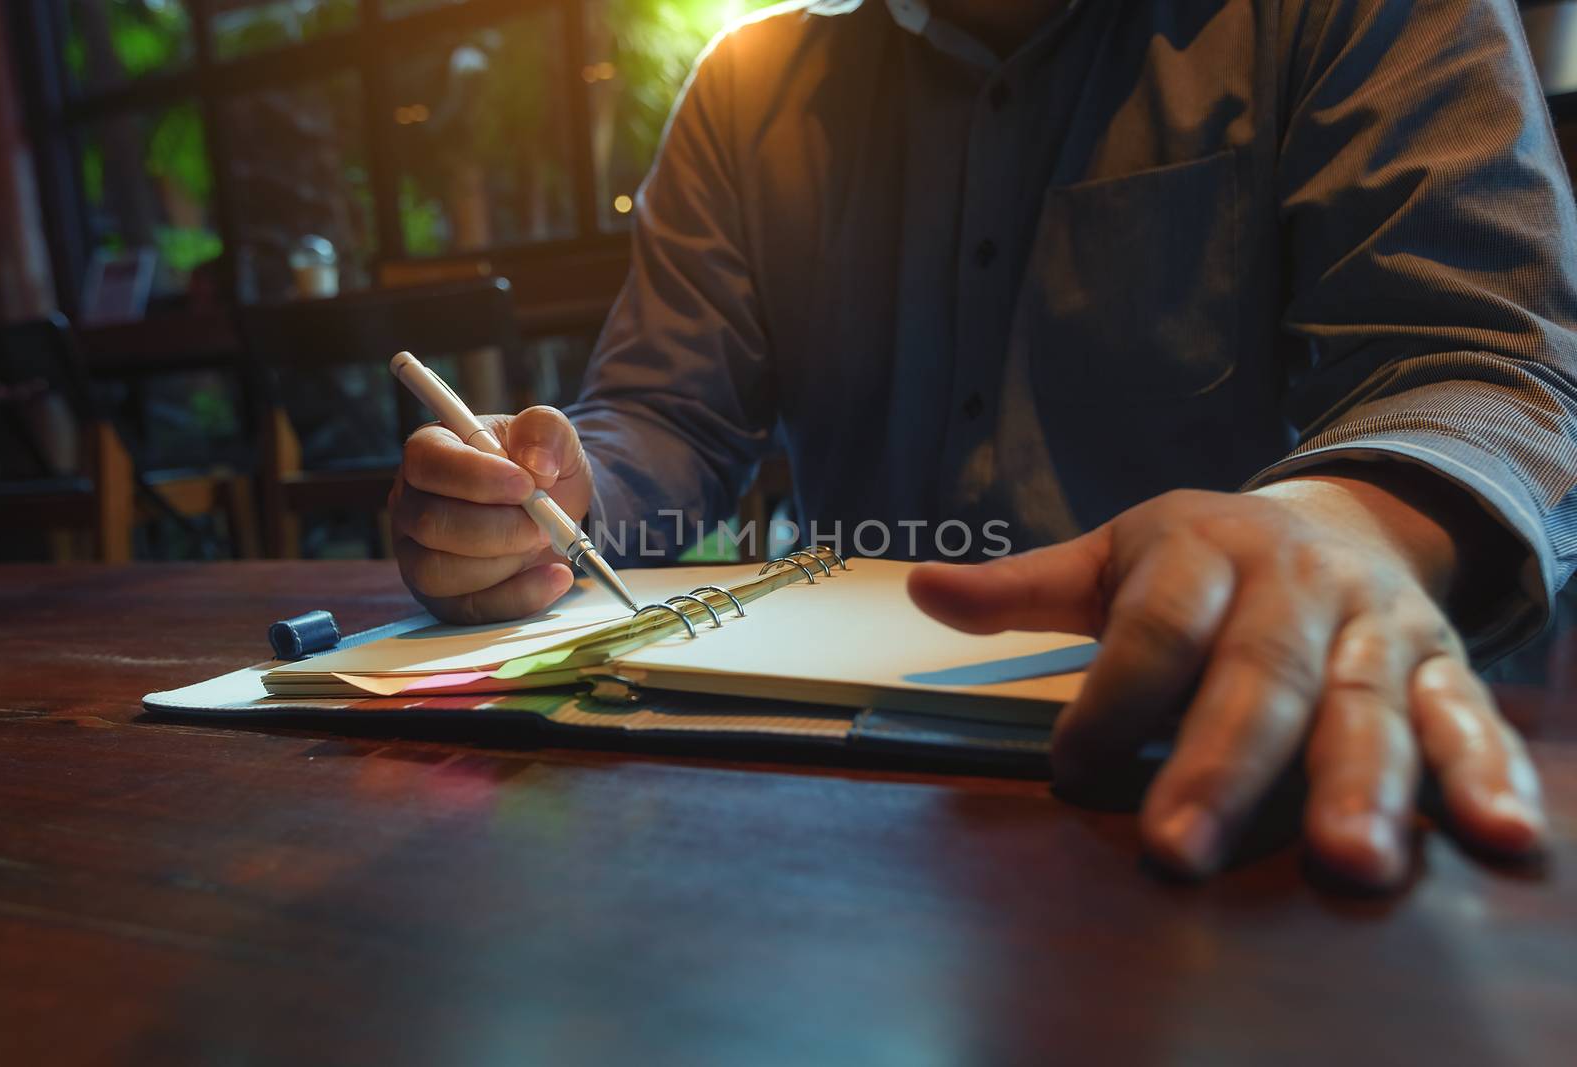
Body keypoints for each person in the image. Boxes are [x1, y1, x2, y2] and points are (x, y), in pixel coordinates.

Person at [390, 0, 1577, 887]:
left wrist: (1341, 524)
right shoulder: (746, 88)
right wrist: (556, 503)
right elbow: (665, 414)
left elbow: (1487, 360)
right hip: (836, 805)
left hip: (1255, 762)